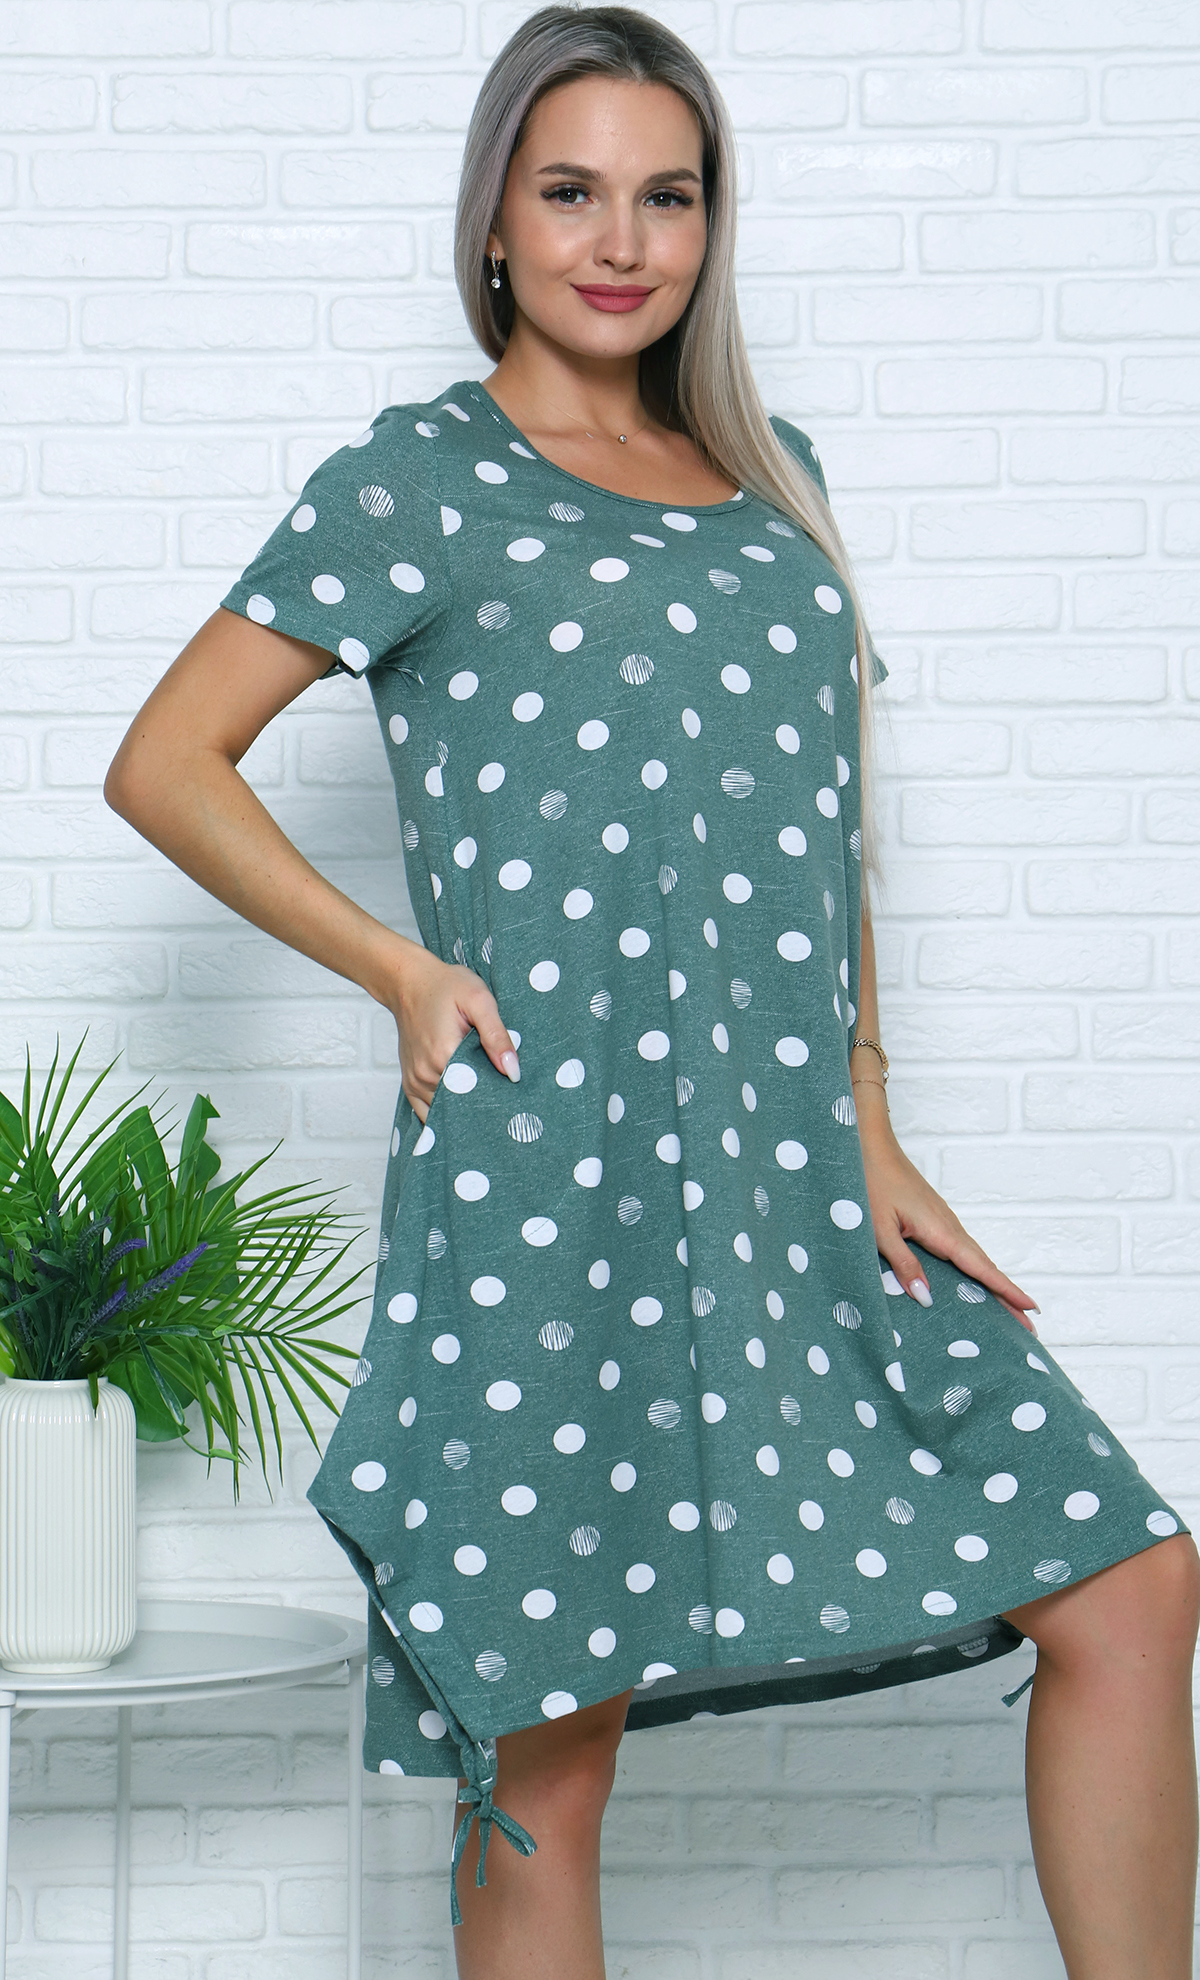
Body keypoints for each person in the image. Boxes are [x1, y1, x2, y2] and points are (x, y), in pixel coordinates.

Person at [105, 7, 1198, 1976]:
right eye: (572, 192)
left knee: (1129, 1586)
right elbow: (166, 762)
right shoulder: (419, 479)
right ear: (496, 225)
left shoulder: (776, 484)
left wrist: (868, 1117)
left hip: (789, 1175)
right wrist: (397, 969)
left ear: (712, 223)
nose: (623, 241)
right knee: (554, 1750)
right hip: (552, 1179)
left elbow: (822, 816)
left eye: (668, 196)